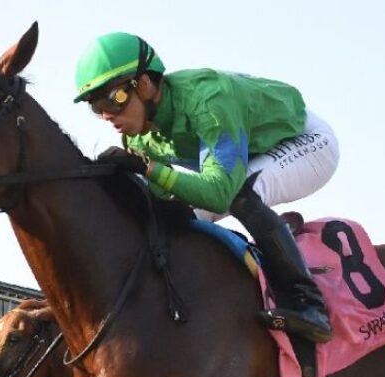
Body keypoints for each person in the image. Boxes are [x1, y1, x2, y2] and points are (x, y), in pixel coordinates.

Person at [73, 32, 339, 343]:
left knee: (241, 195)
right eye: (96, 106)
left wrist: (149, 168)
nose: (107, 115)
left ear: (144, 84)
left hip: (306, 140)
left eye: (113, 98)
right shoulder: (137, 135)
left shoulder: (207, 103)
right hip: (248, 150)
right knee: (175, 218)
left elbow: (219, 194)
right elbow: (165, 201)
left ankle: (309, 305)